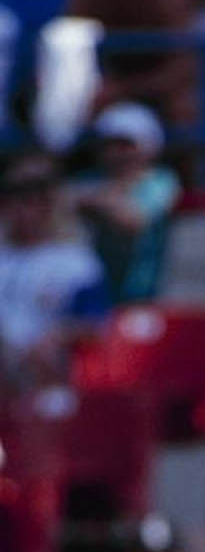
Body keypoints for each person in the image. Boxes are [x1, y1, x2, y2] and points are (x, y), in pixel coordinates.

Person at [0, 152, 107, 388]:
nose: (28, 208)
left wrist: (56, 337)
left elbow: (96, 324)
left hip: (48, 370)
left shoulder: (76, 261)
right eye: (18, 198)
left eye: (38, 199)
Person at [71, 102, 180, 305]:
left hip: (143, 296)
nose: (115, 153)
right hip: (96, 295)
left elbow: (132, 221)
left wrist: (96, 201)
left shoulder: (161, 181)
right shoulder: (91, 179)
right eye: (109, 145)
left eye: (125, 145)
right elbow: (62, 204)